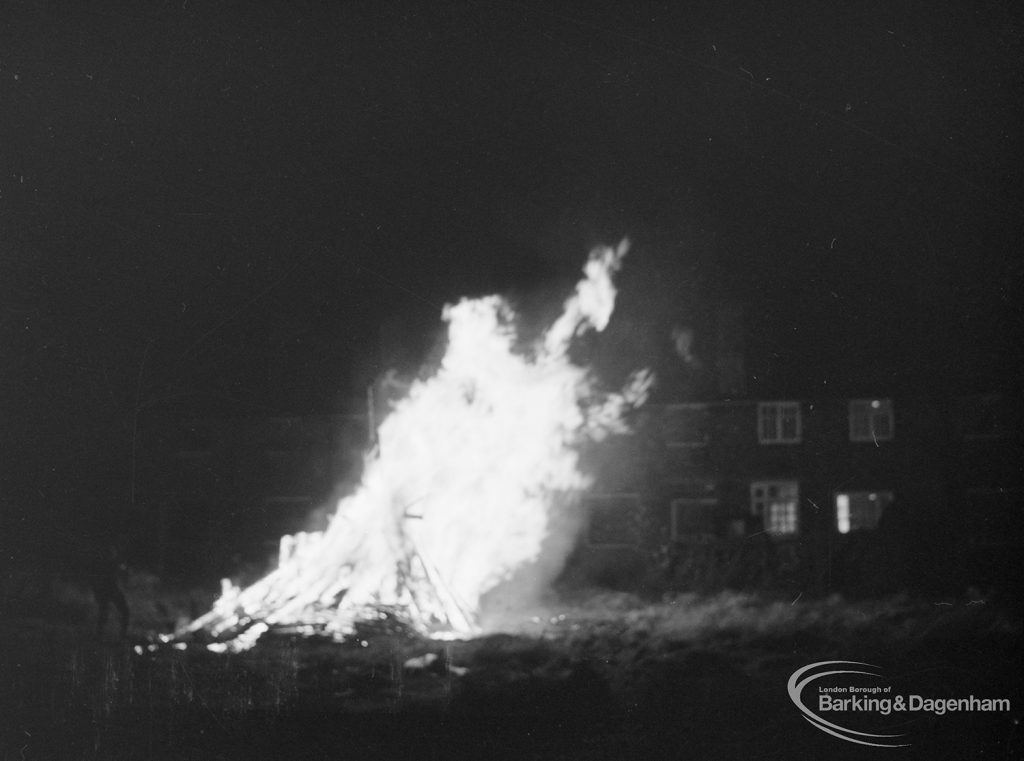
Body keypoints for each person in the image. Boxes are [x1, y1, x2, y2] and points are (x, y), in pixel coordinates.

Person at [90, 543, 130, 639]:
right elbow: (99, 581)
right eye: (112, 552)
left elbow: (122, 572)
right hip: (108, 590)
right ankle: (103, 635)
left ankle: (118, 634)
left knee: (107, 613)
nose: (114, 554)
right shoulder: (108, 564)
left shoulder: (110, 563)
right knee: (108, 613)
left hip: (109, 590)